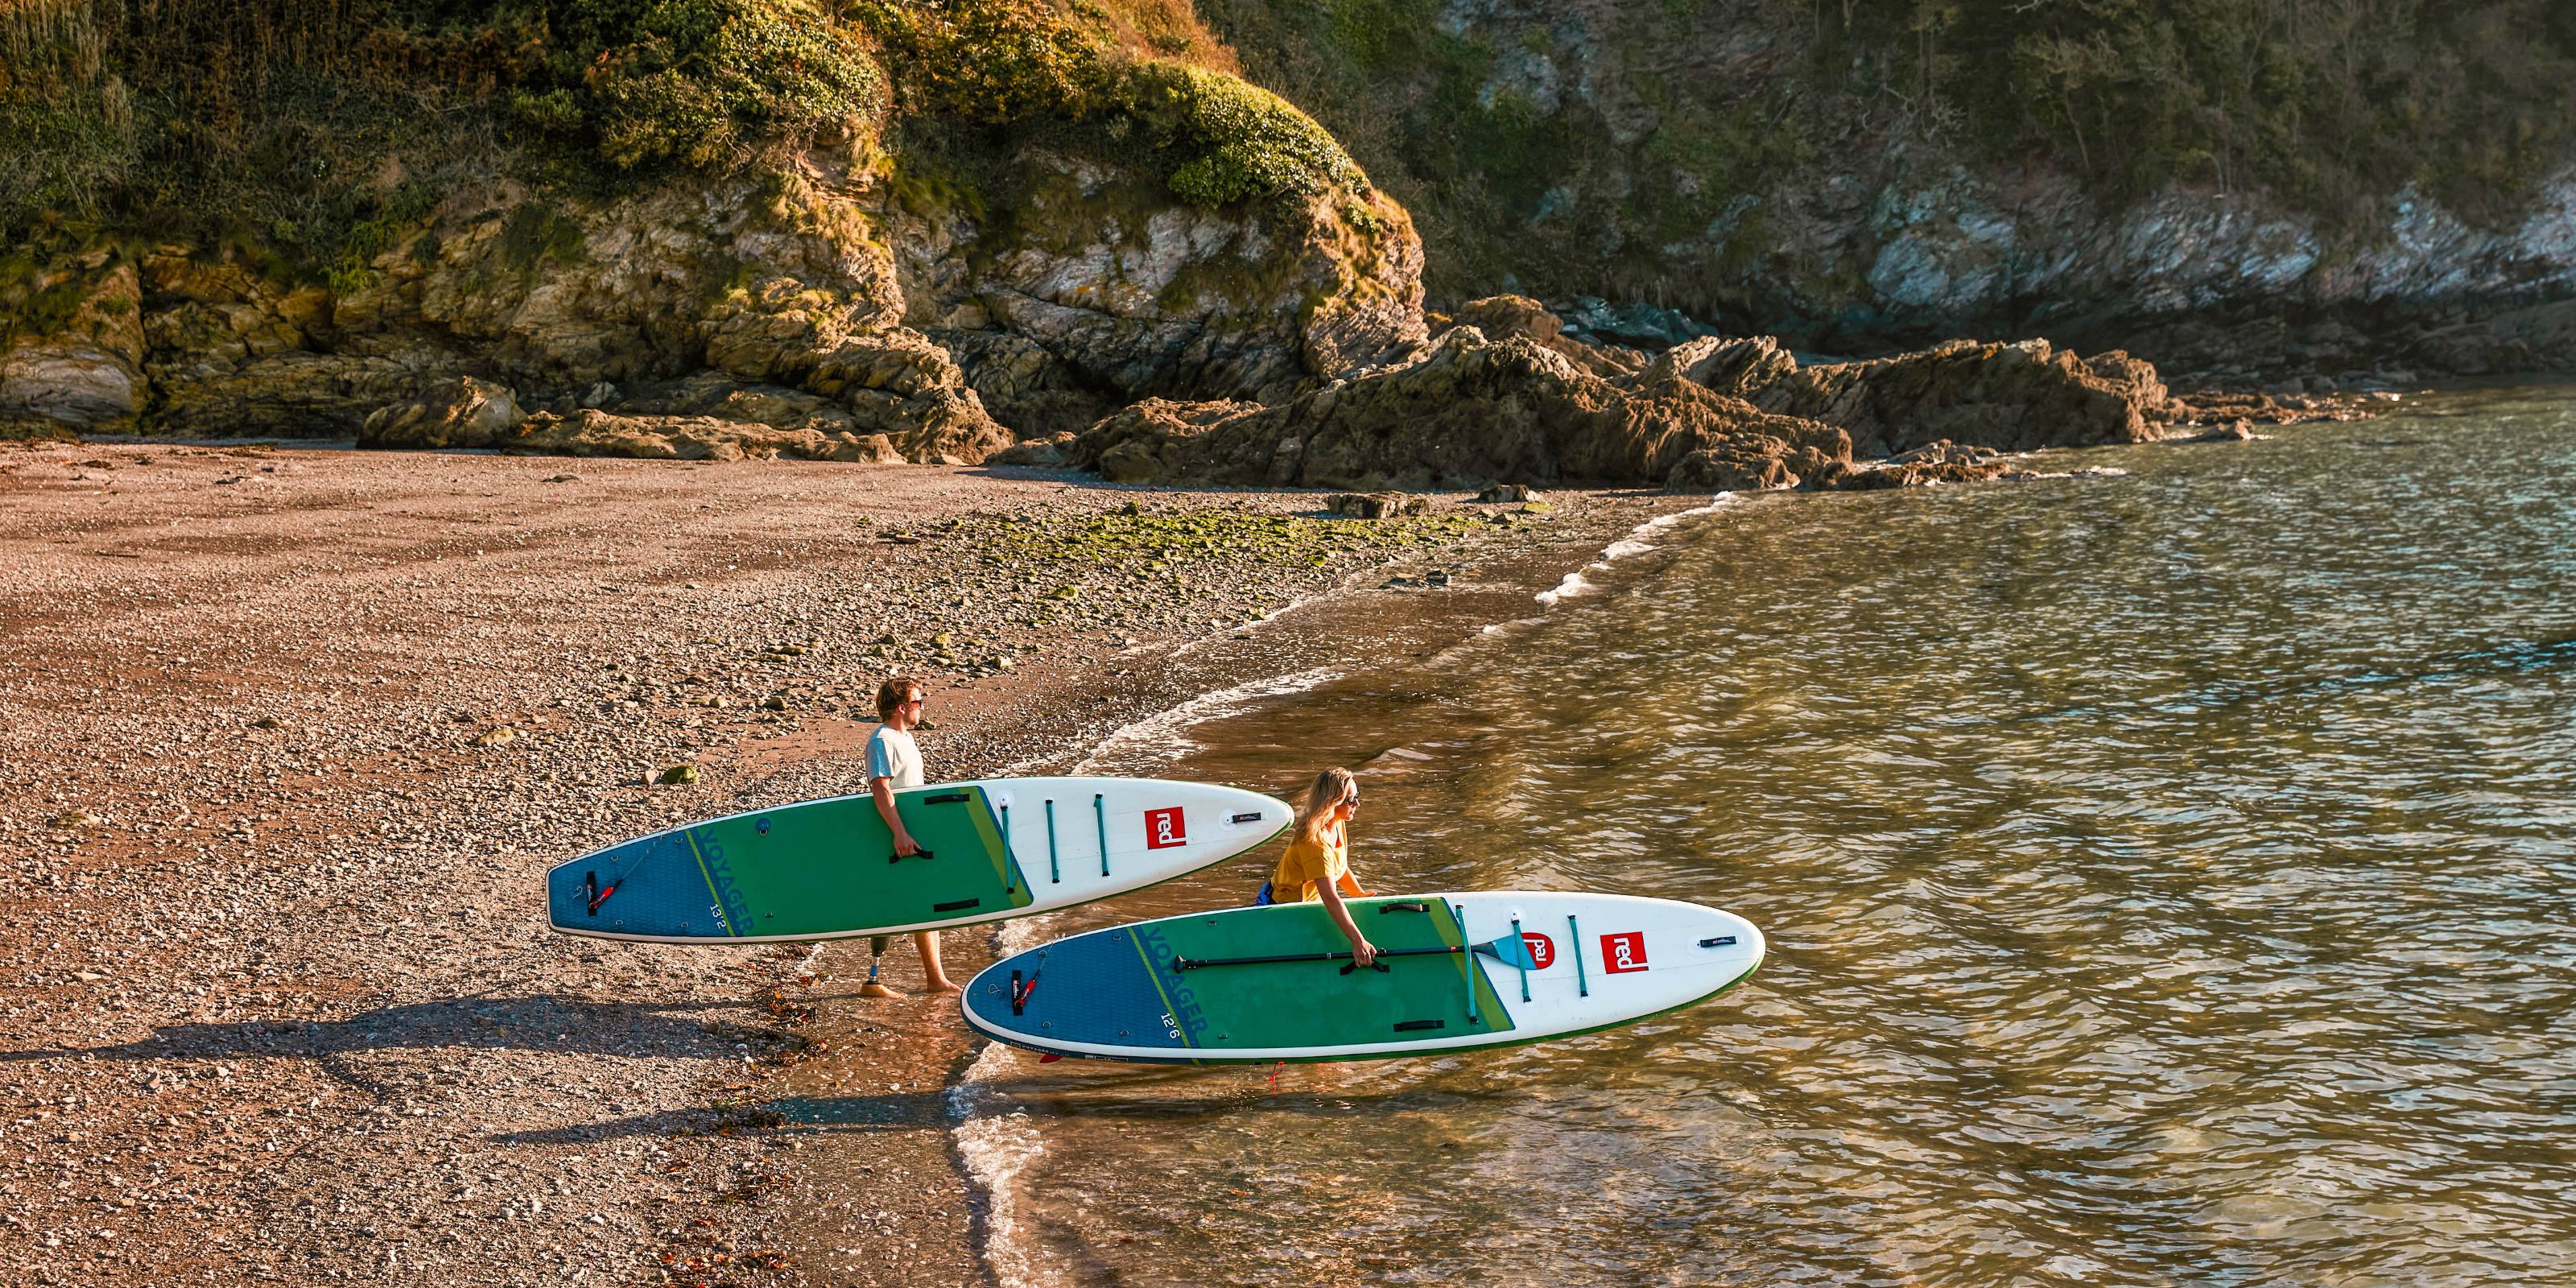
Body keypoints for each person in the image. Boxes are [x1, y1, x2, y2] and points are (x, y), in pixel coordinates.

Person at [862, 675, 958, 994]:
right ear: (902, 707)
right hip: (894, 835)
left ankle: (933, 979)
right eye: (918, 702)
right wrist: (899, 834)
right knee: (899, 904)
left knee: (922, 903)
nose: (922, 708)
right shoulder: (882, 741)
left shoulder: (905, 739)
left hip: (911, 833)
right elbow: (881, 789)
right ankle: (879, 980)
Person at [1260, 766, 1376, 968]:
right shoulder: (1315, 842)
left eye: (1357, 796)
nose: (1357, 804)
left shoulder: (1337, 822)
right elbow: (1330, 897)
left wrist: (1360, 897)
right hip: (1286, 910)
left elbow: (1340, 867)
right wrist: (1358, 941)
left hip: (1313, 905)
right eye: (1350, 800)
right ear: (1332, 803)